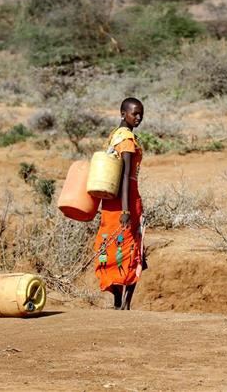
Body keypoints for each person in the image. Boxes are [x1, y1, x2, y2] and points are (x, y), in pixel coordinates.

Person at [94, 97, 146, 310]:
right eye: (135, 113)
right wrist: (126, 209)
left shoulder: (114, 136)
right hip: (126, 201)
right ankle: (125, 303)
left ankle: (118, 301)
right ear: (123, 114)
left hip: (110, 201)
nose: (138, 117)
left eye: (141, 114)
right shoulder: (127, 140)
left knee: (110, 246)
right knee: (132, 248)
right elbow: (125, 176)